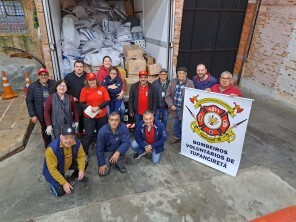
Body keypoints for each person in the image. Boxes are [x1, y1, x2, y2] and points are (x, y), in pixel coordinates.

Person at [43, 125, 87, 197]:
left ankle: (73, 177)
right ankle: (54, 184)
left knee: (84, 164)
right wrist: (64, 183)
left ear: (74, 137)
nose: (69, 141)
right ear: (60, 136)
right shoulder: (51, 149)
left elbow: (81, 156)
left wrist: (81, 170)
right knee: (60, 193)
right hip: (53, 171)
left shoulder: (77, 143)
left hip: (66, 163)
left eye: (71, 138)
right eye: (66, 138)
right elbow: (52, 169)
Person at [79, 72, 110, 155]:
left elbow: (107, 100)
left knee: (101, 133)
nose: (92, 81)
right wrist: (91, 109)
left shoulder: (102, 88)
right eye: (90, 80)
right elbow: (82, 103)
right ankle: (83, 152)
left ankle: (101, 149)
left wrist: (98, 107)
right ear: (87, 81)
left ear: (96, 80)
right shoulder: (84, 90)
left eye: (93, 80)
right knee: (89, 135)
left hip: (101, 115)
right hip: (89, 116)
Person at [26, 68, 56, 147]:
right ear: (38, 76)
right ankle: (48, 146)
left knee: (57, 128)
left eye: (45, 75)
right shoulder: (32, 87)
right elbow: (29, 101)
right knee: (46, 130)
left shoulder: (53, 84)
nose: (43, 77)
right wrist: (33, 115)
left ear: (48, 76)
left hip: (54, 111)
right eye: (41, 75)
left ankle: (59, 144)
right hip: (41, 113)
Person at [165, 67, 194, 144]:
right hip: (175, 108)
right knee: (175, 125)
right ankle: (177, 137)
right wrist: (171, 105)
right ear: (177, 74)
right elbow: (167, 96)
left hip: (184, 109)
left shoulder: (190, 83)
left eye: (183, 73)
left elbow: (193, 96)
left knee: (184, 125)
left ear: (186, 74)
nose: (181, 75)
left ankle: (185, 140)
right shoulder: (173, 82)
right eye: (180, 73)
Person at [64, 60, 87, 136]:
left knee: (87, 117)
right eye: (77, 66)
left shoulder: (87, 76)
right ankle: (77, 132)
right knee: (77, 116)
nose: (79, 68)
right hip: (74, 101)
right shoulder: (68, 77)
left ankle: (85, 132)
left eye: (81, 66)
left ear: (84, 68)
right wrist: (71, 97)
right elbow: (64, 89)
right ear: (74, 67)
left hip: (86, 101)